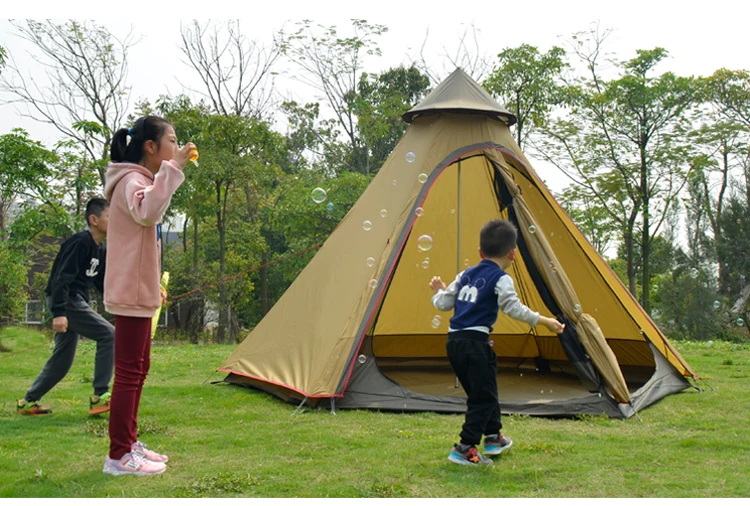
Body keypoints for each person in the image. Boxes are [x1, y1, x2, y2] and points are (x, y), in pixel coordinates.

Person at [429, 219, 565, 466]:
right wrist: (545, 321)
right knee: (482, 397)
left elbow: (443, 304)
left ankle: (493, 437)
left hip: (454, 343)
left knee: (484, 391)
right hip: (476, 344)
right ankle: (465, 448)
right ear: (513, 254)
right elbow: (513, 308)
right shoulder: (501, 279)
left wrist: (438, 290)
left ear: (480, 252)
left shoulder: (464, 275)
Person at [101, 115, 194, 476]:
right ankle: (118, 456)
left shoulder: (140, 180)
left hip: (139, 290)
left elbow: (142, 240)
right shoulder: (131, 180)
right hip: (129, 293)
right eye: (172, 140)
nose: (177, 145)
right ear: (151, 147)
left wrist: (154, 283)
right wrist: (174, 169)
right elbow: (148, 211)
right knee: (127, 373)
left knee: (139, 370)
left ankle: (129, 443)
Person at [17, 198, 115, 417]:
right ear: (94, 219)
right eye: (110, 216)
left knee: (63, 360)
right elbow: (62, 278)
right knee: (109, 334)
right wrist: (59, 313)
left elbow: (101, 284)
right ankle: (100, 395)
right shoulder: (80, 243)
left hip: (74, 301)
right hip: (67, 300)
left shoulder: (101, 249)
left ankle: (28, 402)